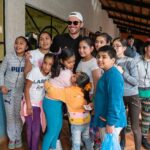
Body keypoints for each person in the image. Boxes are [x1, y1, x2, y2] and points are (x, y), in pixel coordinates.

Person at [45, 72, 93, 150]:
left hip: (76, 123)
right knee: (86, 138)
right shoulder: (84, 90)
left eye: (74, 76)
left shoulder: (68, 91)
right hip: (86, 120)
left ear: (76, 83)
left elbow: (53, 92)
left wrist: (46, 83)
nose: (72, 75)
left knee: (76, 143)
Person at [42, 48, 75, 150]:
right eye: (69, 62)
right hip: (52, 103)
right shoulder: (66, 73)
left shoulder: (61, 69)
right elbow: (71, 89)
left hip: (56, 103)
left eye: (73, 61)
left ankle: (52, 147)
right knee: (52, 130)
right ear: (61, 61)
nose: (72, 64)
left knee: (58, 127)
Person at [0, 36, 29, 149]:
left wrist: (28, 60)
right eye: (16, 43)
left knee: (19, 116)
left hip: (20, 93)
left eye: (21, 43)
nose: (18, 45)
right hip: (7, 91)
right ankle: (12, 139)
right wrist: (2, 85)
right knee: (10, 116)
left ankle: (18, 137)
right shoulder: (9, 56)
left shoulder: (28, 59)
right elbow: (1, 71)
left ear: (26, 46)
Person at [94, 45, 127, 146]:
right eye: (98, 56)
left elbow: (115, 101)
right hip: (105, 118)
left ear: (113, 60)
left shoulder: (113, 76)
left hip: (110, 121)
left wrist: (111, 123)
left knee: (109, 146)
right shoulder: (107, 73)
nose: (100, 59)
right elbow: (105, 96)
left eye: (104, 57)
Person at [112, 38, 141, 150]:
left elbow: (135, 81)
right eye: (113, 45)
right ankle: (121, 145)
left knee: (135, 127)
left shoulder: (130, 61)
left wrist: (123, 72)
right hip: (119, 96)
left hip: (133, 96)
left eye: (118, 45)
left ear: (124, 48)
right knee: (121, 123)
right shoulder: (111, 61)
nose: (115, 48)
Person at [23, 53, 55, 150]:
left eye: (50, 64)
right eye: (45, 63)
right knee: (29, 128)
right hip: (28, 102)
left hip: (39, 104)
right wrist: (28, 105)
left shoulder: (50, 75)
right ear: (42, 62)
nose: (46, 66)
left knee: (36, 129)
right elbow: (26, 89)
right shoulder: (35, 71)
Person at [136, 41, 150, 149]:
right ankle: (128, 134)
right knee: (133, 115)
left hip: (149, 93)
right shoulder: (136, 60)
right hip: (136, 91)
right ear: (146, 49)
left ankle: (144, 137)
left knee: (147, 116)